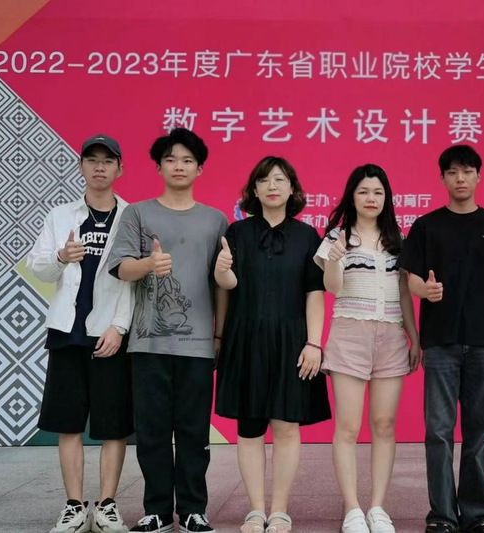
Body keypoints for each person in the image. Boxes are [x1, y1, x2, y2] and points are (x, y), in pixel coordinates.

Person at [398, 145, 484, 533]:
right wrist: (425, 291)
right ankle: (442, 516)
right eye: (452, 172)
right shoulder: (426, 226)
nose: (460, 178)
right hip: (440, 343)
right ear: (441, 178)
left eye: (467, 171)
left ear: (478, 177)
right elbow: (410, 279)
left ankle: (477, 515)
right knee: (438, 431)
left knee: (479, 429)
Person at [107, 128, 228, 533]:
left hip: (198, 345)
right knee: (153, 431)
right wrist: (149, 265)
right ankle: (157, 510)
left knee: (194, 431)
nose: (179, 166)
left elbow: (221, 284)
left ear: (200, 169)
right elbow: (121, 268)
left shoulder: (216, 220)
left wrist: (219, 336)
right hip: (148, 344)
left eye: (187, 160)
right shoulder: (137, 214)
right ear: (158, 167)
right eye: (171, 159)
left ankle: (193, 509)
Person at [213, 156, 331, 533]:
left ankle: (279, 509)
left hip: (292, 341)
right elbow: (228, 286)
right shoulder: (237, 233)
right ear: (255, 189)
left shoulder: (307, 236)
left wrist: (314, 343)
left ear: (292, 188)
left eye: (280, 179)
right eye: (264, 180)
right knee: (249, 428)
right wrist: (222, 271)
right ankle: (255, 509)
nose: (272, 186)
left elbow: (314, 292)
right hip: (245, 339)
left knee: (286, 427)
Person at [27, 134, 134, 533]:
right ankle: (74, 506)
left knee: (113, 425)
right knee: (69, 423)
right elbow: (38, 266)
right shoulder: (60, 216)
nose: (99, 167)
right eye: (92, 160)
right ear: (81, 167)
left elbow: (133, 282)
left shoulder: (132, 216)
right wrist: (61, 257)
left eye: (107, 160)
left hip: (110, 334)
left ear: (120, 168)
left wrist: (119, 327)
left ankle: (107, 506)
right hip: (67, 333)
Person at [315, 164, 421, 533]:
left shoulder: (398, 239)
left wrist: (413, 336)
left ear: (386, 197)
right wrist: (335, 259)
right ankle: (352, 509)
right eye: (363, 192)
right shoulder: (337, 237)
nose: (371, 198)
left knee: (384, 424)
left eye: (377, 192)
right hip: (349, 335)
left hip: (391, 337)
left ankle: (377, 507)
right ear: (352, 196)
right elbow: (331, 288)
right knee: (347, 427)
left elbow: (404, 291)